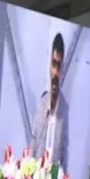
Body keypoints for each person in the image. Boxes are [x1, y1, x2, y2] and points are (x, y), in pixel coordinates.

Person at [30, 33, 69, 171]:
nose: (55, 72)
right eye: (53, 64)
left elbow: (64, 152)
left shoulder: (64, 109)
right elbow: (33, 143)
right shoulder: (42, 104)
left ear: (63, 69)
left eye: (59, 66)